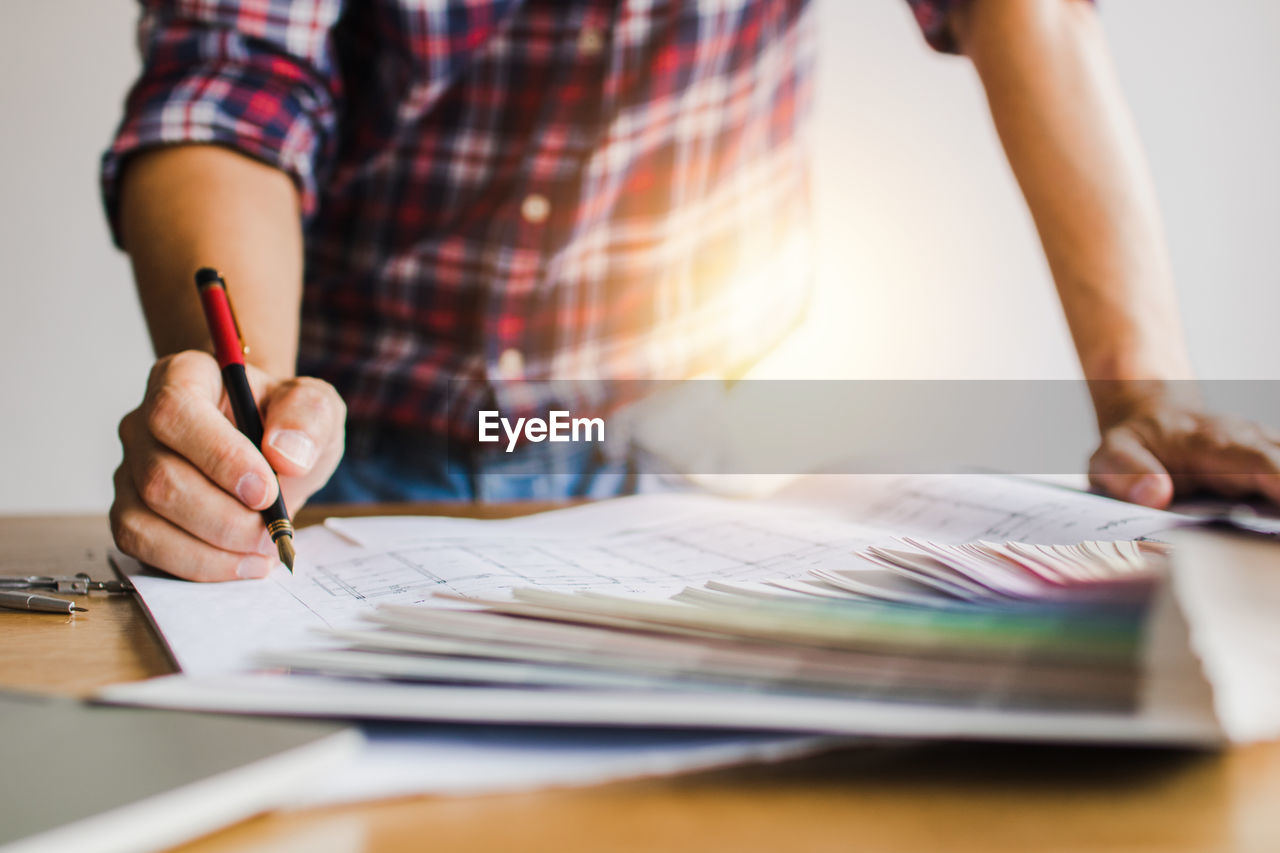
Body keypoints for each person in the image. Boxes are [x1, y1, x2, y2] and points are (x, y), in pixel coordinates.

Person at [104, 0, 1280, 582]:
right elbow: (236, 74)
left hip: (695, 434)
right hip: (355, 435)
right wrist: (247, 411)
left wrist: (1141, 394)